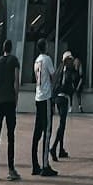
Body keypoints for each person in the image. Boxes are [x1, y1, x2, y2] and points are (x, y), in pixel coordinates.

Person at [0, 39, 22, 182]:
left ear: (3, 48)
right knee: (10, 136)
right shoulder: (14, 60)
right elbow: (16, 80)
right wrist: (16, 98)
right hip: (9, 101)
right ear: (11, 48)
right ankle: (10, 169)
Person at [31, 38, 58, 177]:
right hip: (46, 97)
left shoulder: (36, 61)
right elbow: (53, 76)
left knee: (37, 131)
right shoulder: (47, 59)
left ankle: (35, 164)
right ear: (45, 47)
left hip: (38, 96)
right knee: (47, 131)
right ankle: (45, 165)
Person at [50, 51, 74, 162]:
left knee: (62, 124)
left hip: (58, 98)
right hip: (63, 98)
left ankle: (60, 149)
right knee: (62, 124)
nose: (71, 62)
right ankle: (54, 147)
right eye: (70, 60)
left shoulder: (58, 70)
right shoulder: (66, 71)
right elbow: (64, 85)